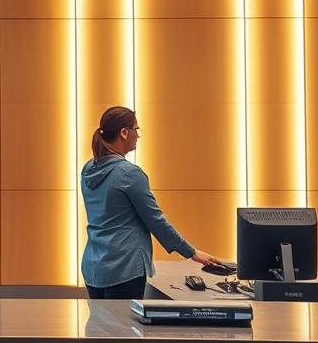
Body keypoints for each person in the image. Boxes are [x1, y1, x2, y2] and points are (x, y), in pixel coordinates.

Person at [81, 106, 228, 300]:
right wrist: (191, 252)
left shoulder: (88, 169)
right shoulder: (129, 174)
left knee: (101, 320)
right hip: (124, 267)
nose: (138, 135)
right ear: (124, 133)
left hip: (93, 267)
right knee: (122, 321)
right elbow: (155, 220)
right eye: (136, 129)